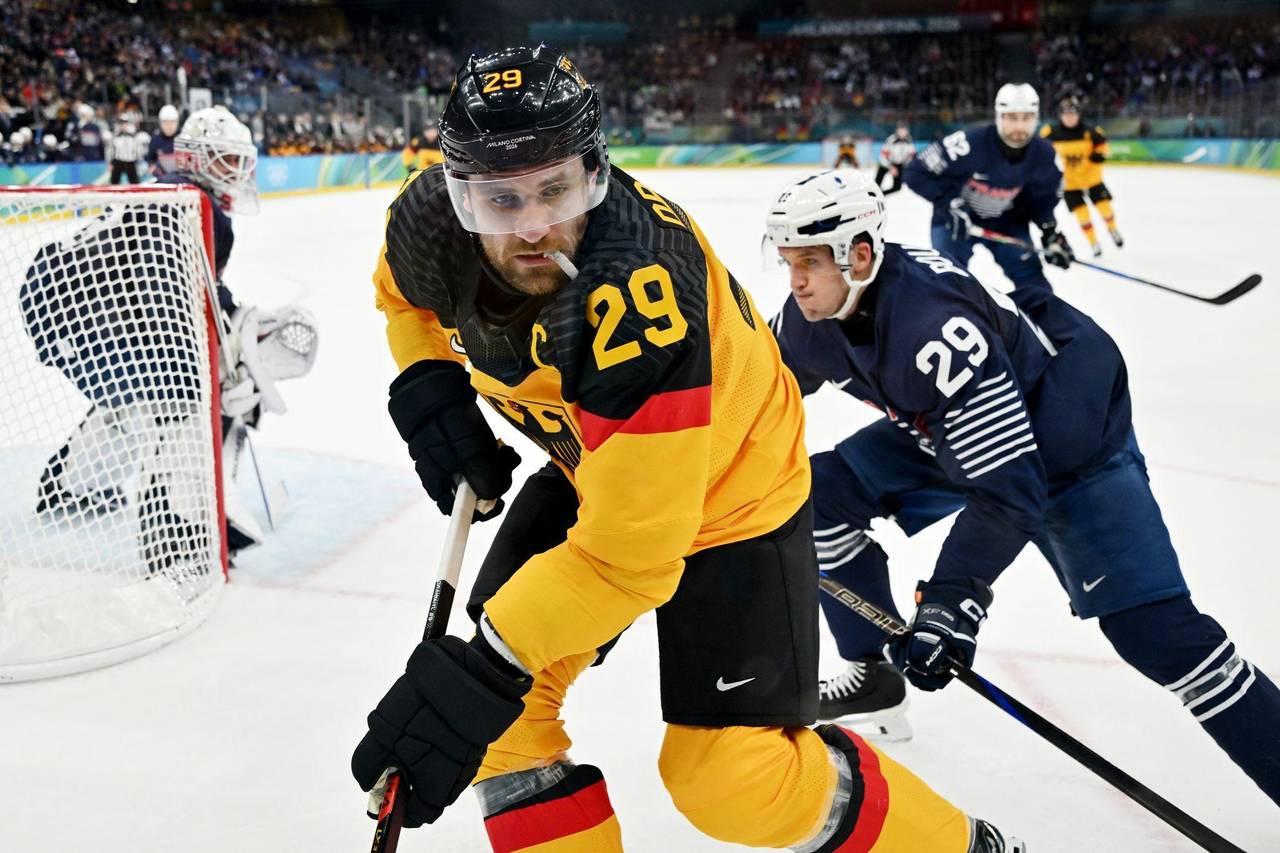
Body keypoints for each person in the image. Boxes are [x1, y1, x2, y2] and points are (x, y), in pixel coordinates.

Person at [353, 45, 1023, 853]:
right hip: (604, 472)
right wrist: (429, 386)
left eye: (554, 189)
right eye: (501, 198)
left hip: (733, 491)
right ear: (458, 192)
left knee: (730, 779)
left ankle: (959, 846)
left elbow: (629, 559)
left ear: (593, 172)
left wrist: (484, 664)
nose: (531, 226)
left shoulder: (638, 290)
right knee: (501, 722)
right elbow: (402, 299)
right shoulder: (428, 225)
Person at [763, 167, 1280, 809]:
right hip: (950, 426)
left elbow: (1009, 490)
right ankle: (874, 672)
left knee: (1157, 635)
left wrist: (951, 602)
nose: (796, 281)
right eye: (790, 262)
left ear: (859, 255)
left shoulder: (932, 330)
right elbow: (759, 393)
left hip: (1066, 445)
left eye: (810, 262)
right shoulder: (814, 312)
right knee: (814, 501)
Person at [24, 106, 316, 561]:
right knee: (189, 396)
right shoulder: (196, 207)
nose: (237, 171)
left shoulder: (174, 192)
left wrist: (228, 318)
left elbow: (189, 286)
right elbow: (175, 294)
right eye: (227, 160)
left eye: (240, 161)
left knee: (137, 394)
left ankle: (76, 484)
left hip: (61, 311)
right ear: (198, 158)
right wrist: (222, 359)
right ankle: (180, 528)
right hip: (80, 317)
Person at [904, 83, 1072, 313]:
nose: (1019, 126)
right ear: (998, 116)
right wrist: (948, 203)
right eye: (1012, 117)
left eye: (1027, 118)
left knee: (1036, 286)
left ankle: (1044, 330)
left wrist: (1050, 232)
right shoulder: (968, 143)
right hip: (956, 222)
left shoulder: (1044, 154)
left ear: (1036, 118)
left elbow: (1041, 200)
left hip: (1006, 223)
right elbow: (916, 171)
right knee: (945, 284)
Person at [1040, 97, 1121, 257]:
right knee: (1082, 215)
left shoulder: (1091, 131)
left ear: (1079, 115)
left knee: (1105, 209)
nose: (1070, 117)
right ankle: (1093, 243)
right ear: (1061, 115)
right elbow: (1040, 150)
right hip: (1069, 183)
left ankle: (1113, 229)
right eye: (1066, 114)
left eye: (1073, 113)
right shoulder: (1051, 132)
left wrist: (1100, 154)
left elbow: (1104, 147)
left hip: (1092, 179)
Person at [874, 124, 914, 195]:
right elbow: (883, 156)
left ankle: (881, 195)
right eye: (901, 130)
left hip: (899, 164)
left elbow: (911, 156)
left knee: (897, 187)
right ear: (897, 130)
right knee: (876, 185)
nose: (902, 132)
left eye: (904, 130)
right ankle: (872, 196)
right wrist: (890, 167)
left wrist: (905, 166)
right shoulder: (891, 139)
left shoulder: (909, 140)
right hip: (886, 163)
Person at [146, 104, 181, 176]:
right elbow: (150, 160)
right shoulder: (155, 140)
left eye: (172, 122)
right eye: (165, 122)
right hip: (162, 178)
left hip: (181, 178)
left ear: (177, 122)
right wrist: (154, 169)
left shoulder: (183, 139)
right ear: (160, 123)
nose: (169, 125)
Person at [108, 119, 146, 184]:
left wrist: (138, 159)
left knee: (134, 180)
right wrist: (110, 162)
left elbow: (138, 149)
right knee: (114, 180)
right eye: (122, 124)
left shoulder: (134, 137)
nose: (124, 126)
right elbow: (111, 150)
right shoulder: (116, 137)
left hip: (130, 160)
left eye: (126, 124)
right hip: (118, 160)